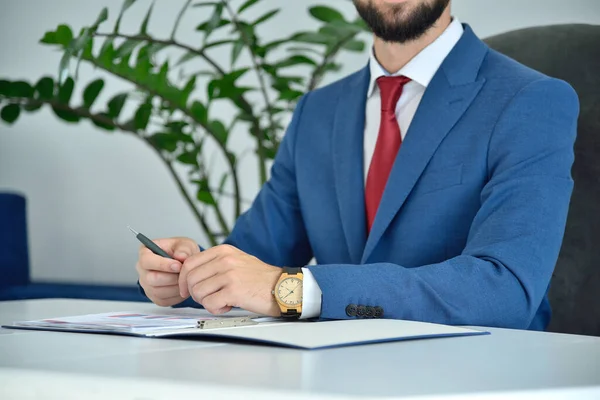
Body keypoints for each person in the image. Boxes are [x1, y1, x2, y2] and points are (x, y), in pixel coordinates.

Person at [135, 0, 579, 330]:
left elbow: (505, 289)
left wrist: (294, 290)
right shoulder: (317, 112)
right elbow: (255, 260)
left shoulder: (530, 101)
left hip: (477, 376)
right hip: (332, 374)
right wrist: (192, 274)